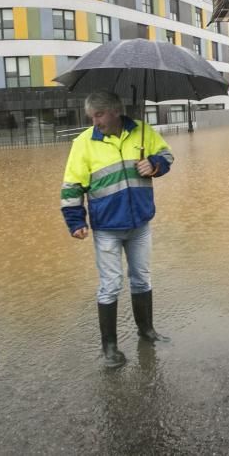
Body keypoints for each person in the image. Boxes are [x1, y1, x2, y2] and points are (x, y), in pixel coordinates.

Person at [61, 90, 174, 369]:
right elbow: (72, 185)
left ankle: (146, 330)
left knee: (142, 279)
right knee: (110, 286)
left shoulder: (142, 131)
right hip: (107, 228)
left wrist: (155, 164)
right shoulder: (83, 143)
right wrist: (76, 222)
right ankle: (109, 347)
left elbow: (167, 155)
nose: (95, 121)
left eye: (99, 115)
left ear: (115, 111)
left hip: (140, 224)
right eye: (92, 116)